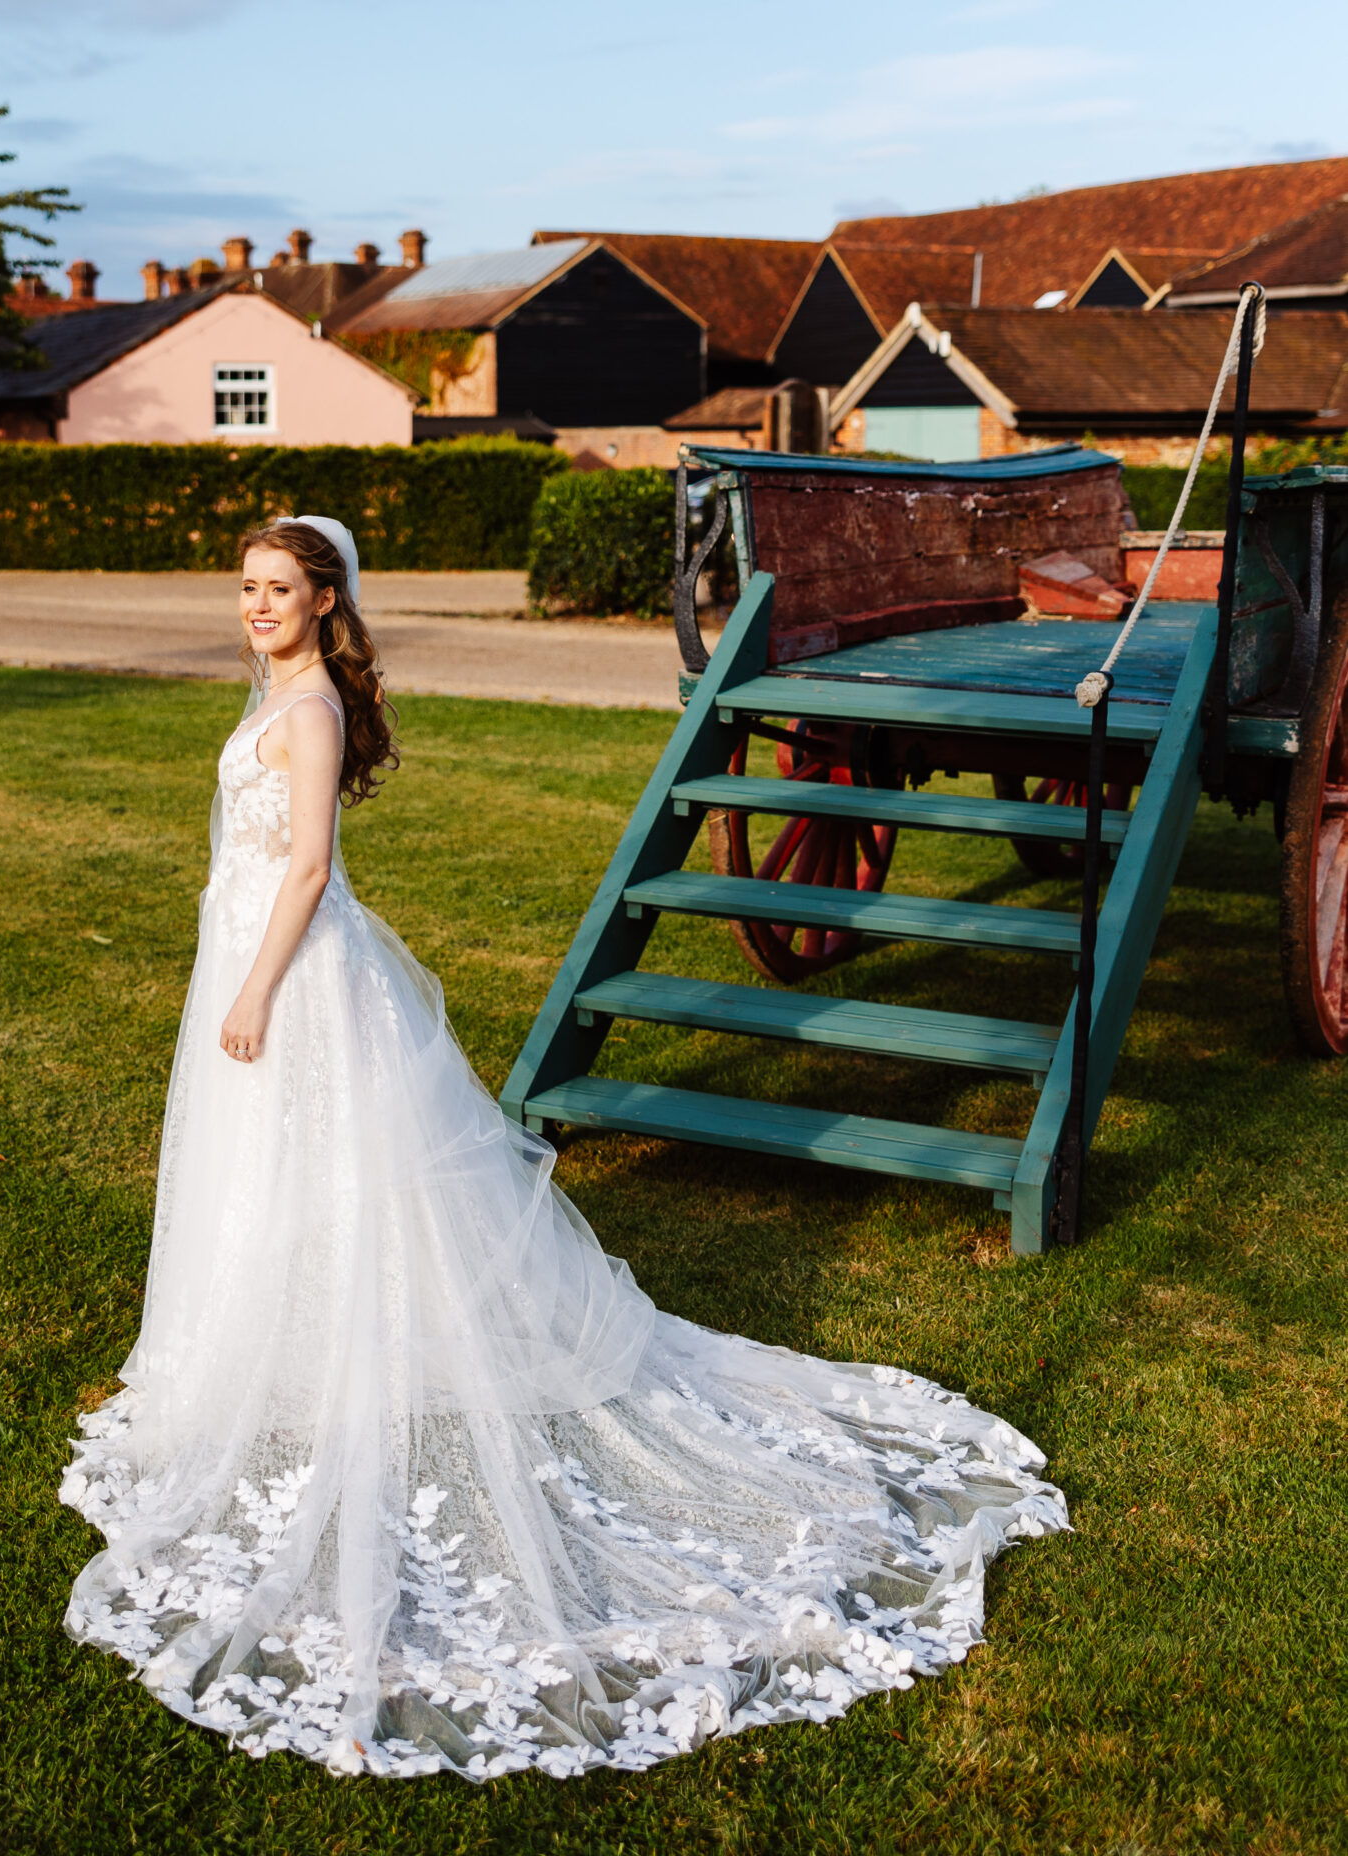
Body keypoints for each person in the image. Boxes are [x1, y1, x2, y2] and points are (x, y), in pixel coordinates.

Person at [61, 514, 1065, 1781]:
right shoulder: (280, 687)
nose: (257, 607)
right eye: (247, 589)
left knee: (342, 1171)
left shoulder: (309, 712)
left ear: (325, 602)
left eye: (278, 591)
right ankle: (262, 1342)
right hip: (252, 952)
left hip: (295, 970)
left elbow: (310, 867)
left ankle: (347, 1347)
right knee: (273, 1172)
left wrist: (255, 989)